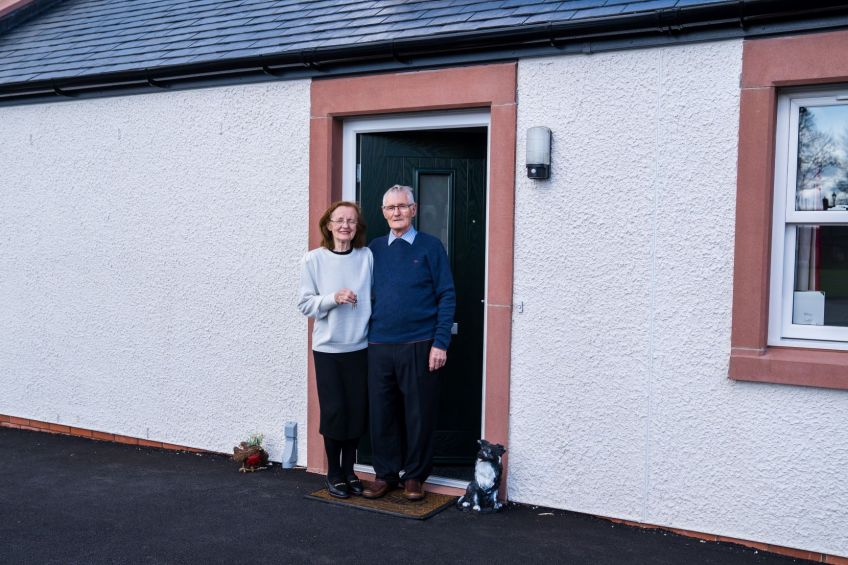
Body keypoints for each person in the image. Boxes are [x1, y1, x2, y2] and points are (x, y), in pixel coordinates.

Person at [363, 185, 456, 501]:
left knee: (419, 413)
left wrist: (440, 343)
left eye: (402, 206)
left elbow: (447, 294)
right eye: (390, 208)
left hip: (420, 344)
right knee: (382, 413)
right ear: (383, 212)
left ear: (414, 210)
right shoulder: (373, 249)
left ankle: (415, 476)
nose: (396, 212)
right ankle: (385, 474)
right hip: (378, 344)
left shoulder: (431, 247)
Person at [298, 201, 372, 499]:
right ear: (328, 225)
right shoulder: (313, 260)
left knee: (356, 410)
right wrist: (332, 298)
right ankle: (333, 472)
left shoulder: (366, 257)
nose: (345, 226)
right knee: (334, 411)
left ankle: (350, 469)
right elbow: (304, 304)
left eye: (351, 221)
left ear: (357, 228)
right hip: (328, 349)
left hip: (360, 346)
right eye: (339, 220)